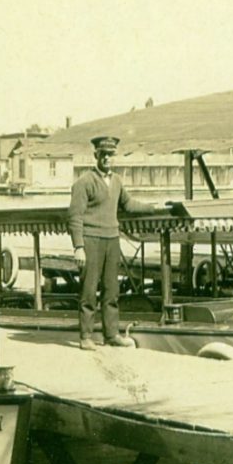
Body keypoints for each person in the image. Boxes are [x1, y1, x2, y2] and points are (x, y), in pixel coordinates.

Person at [68, 136, 156, 351]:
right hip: (90, 239)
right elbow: (75, 216)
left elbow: (128, 204)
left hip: (112, 239)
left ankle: (112, 334)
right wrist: (78, 246)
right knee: (88, 290)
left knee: (111, 290)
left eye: (110, 155)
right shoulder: (84, 182)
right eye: (103, 154)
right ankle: (86, 336)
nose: (107, 158)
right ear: (95, 155)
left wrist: (154, 207)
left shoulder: (116, 181)